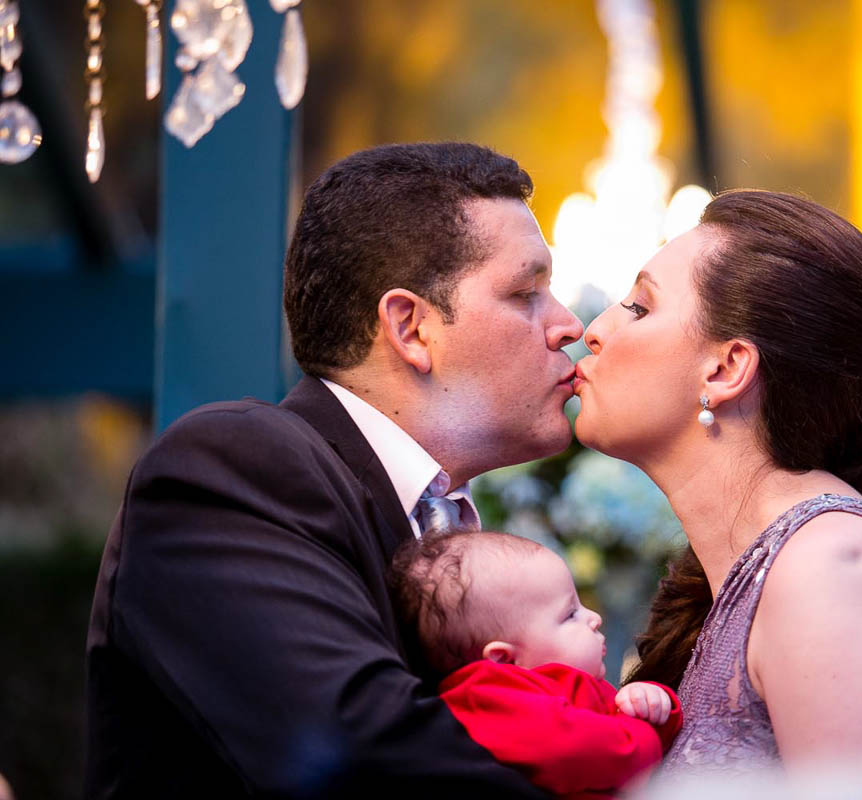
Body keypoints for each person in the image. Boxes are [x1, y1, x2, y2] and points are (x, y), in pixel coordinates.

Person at [84, 143, 584, 798]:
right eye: (526, 293)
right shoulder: (227, 470)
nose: (568, 325)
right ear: (410, 327)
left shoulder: (442, 518)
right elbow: (359, 749)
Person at [572, 190, 862, 797]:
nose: (593, 330)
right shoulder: (762, 569)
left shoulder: (837, 572)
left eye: (639, 307)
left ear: (726, 369)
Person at [390, 529, 682, 798]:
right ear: (504, 659)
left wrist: (652, 702)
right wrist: (644, 732)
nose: (594, 618)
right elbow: (589, 753)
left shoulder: (560, 685)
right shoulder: (488, 697)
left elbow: (651, 738)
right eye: (570, 614)